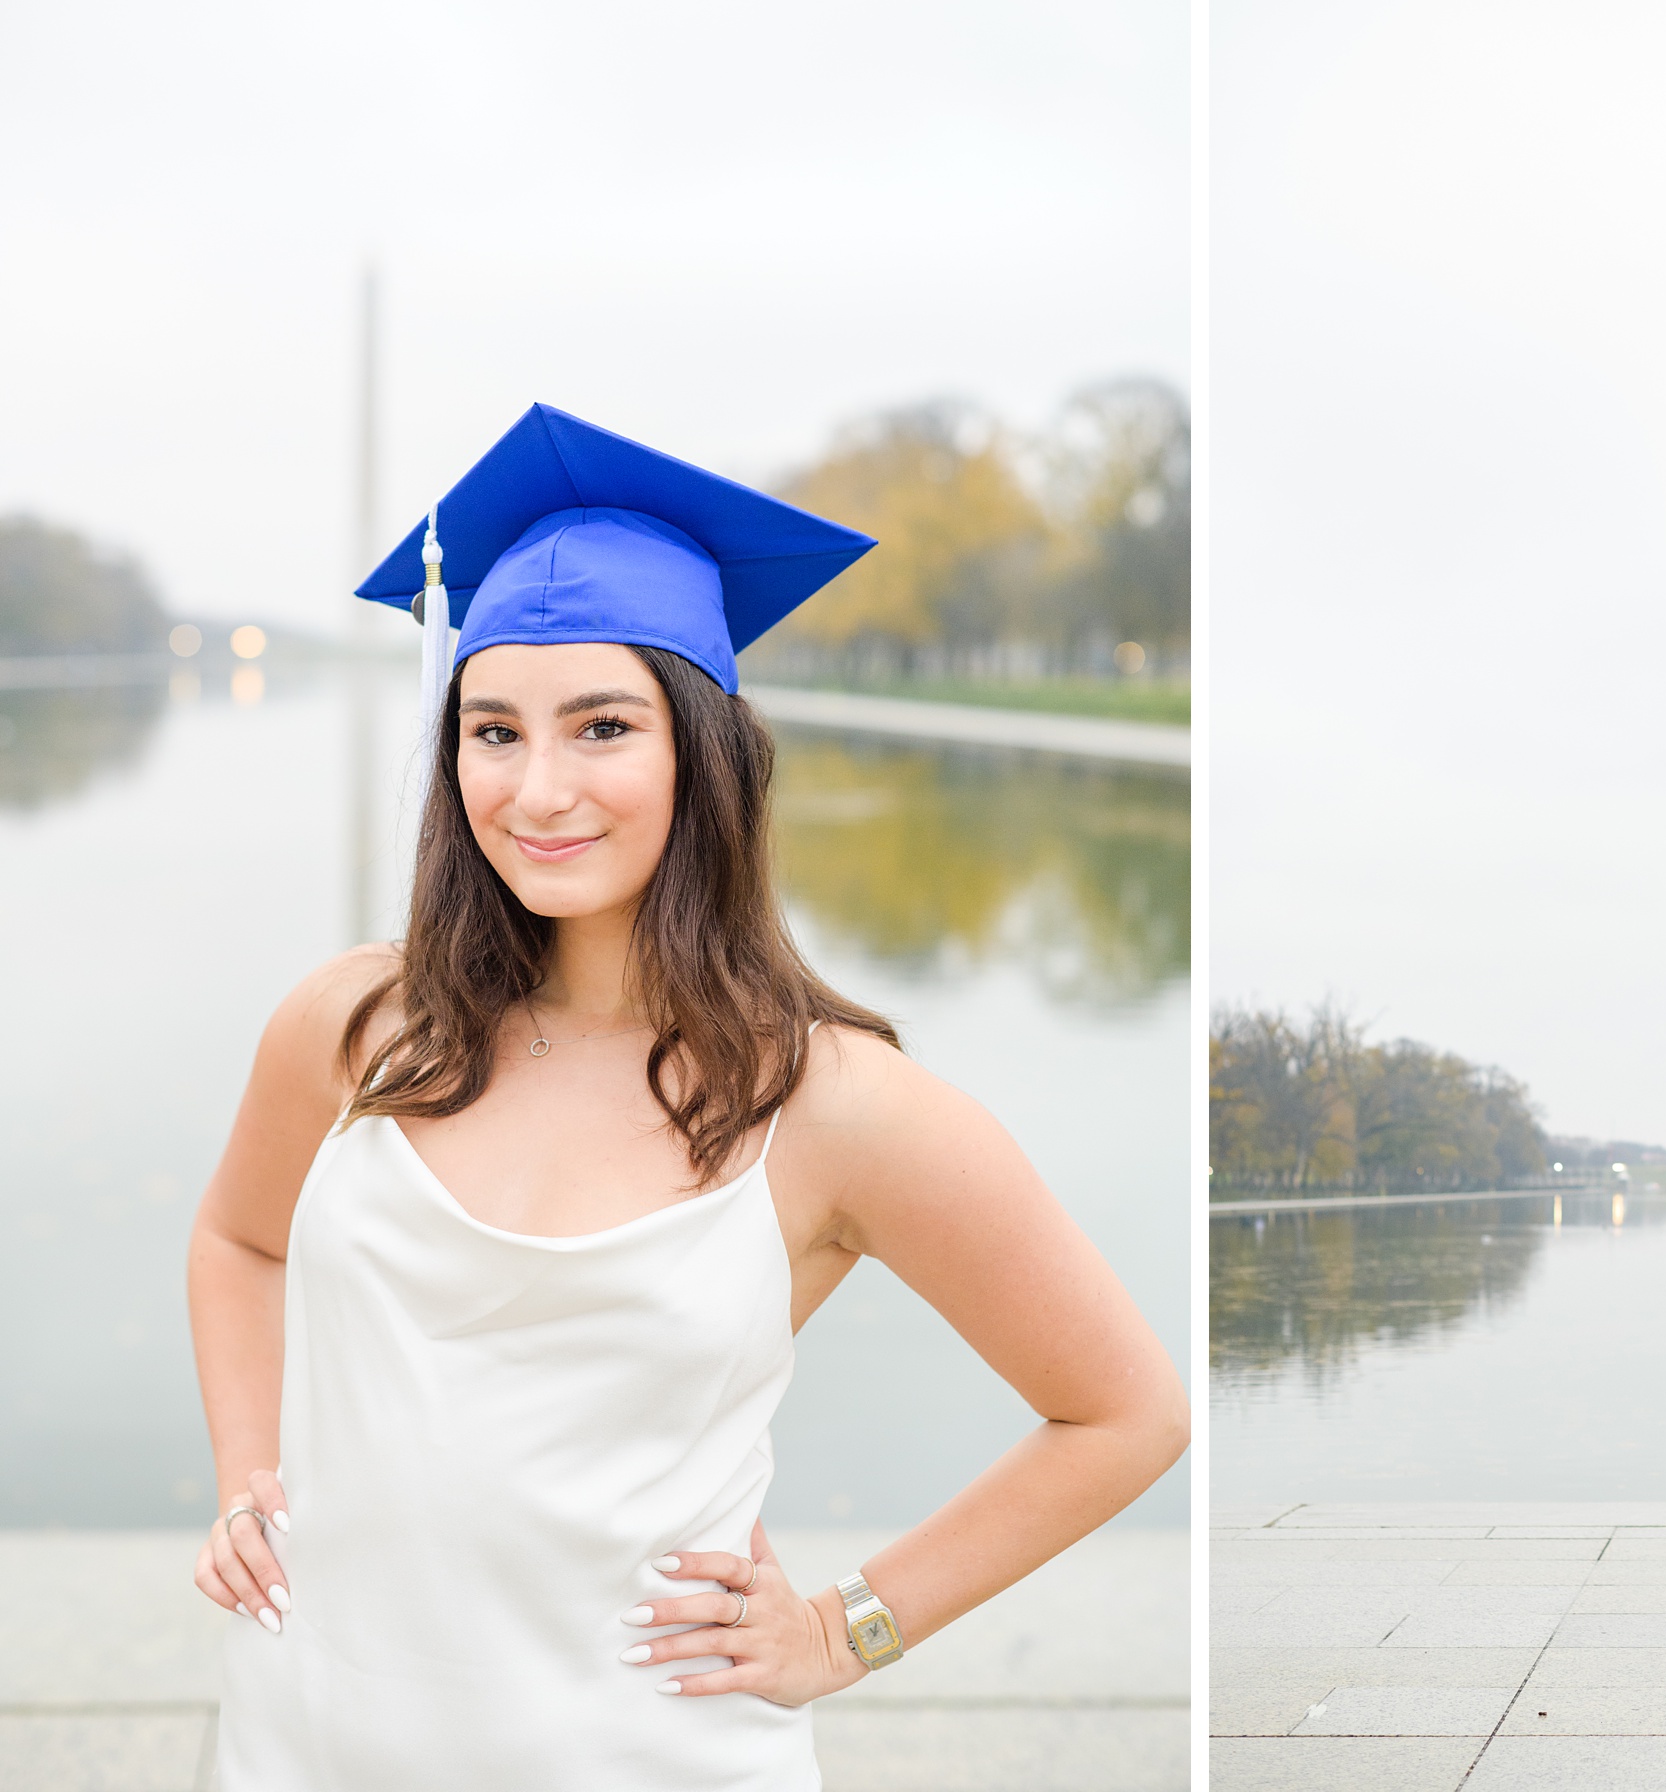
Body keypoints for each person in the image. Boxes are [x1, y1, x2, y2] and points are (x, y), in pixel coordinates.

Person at [186, 406, 1190, 1789]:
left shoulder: (837, 1107)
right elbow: (241, 1242)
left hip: (642, 1747)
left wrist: (849, 1630)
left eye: (602, 726)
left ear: (703, 753)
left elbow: (1125, 1413)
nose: (537, 789)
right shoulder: (357, 1025)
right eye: (492, 730)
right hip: (312, 1735)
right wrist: (251, 1472)